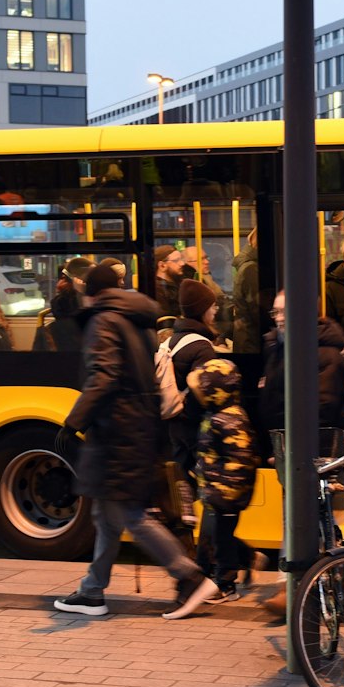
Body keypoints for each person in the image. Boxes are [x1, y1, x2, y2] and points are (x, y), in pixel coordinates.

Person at [52, 260, 215, 619]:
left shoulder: (103, 320)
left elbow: (104, 376)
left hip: (116, 428)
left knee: (129, 512)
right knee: (108, 513)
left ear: (93, 293)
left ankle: (188, 576)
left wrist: (73, 422)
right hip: (139, 423)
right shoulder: (139, 320)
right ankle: (93, 591)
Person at [189, 358, 265, 601]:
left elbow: (241, 460)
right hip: (216, 491)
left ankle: (226, 583)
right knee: (218, 536)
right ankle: (249, 558)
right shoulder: (217, 414)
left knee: (219, 540)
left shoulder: (229, 419)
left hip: (226, 493)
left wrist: (224, 492)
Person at [257, 288, 344, 450]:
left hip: (308, 450)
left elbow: (322, 409)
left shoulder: (325, 354)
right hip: (285, 444)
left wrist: (292, 449)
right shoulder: (278, 348)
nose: (279, 319)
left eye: (285, 312)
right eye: (276, 312)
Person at [165, 279, 222, 522]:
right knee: (211, 493)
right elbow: (204, 391)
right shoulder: (202, 347)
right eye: (212, 305)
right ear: (201, 309)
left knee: (185, 484)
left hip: (173, 421)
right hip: (193, 427)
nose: (216, 309)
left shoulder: (170, 340)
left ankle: (184, 530)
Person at [153, 244, 188, 320]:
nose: (182, 263)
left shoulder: (179, 285)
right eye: (176, 260)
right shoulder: (158, 290)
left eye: (181, 259)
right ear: (162, 266)